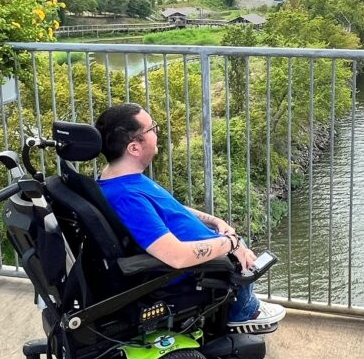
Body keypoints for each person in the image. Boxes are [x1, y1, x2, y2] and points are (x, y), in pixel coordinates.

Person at [94, 103, 285, 334]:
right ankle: (243, 312)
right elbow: (176, 257)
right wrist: (231, 243)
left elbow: (170, 207)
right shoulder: (127, 197)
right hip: (192, 274)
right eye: (152, 128)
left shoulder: (119, 178)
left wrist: (215, 221)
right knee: (239, 254)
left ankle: (244, 301)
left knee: (236, 243)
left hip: (201, 252)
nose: (158, 132)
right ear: (134, 148)